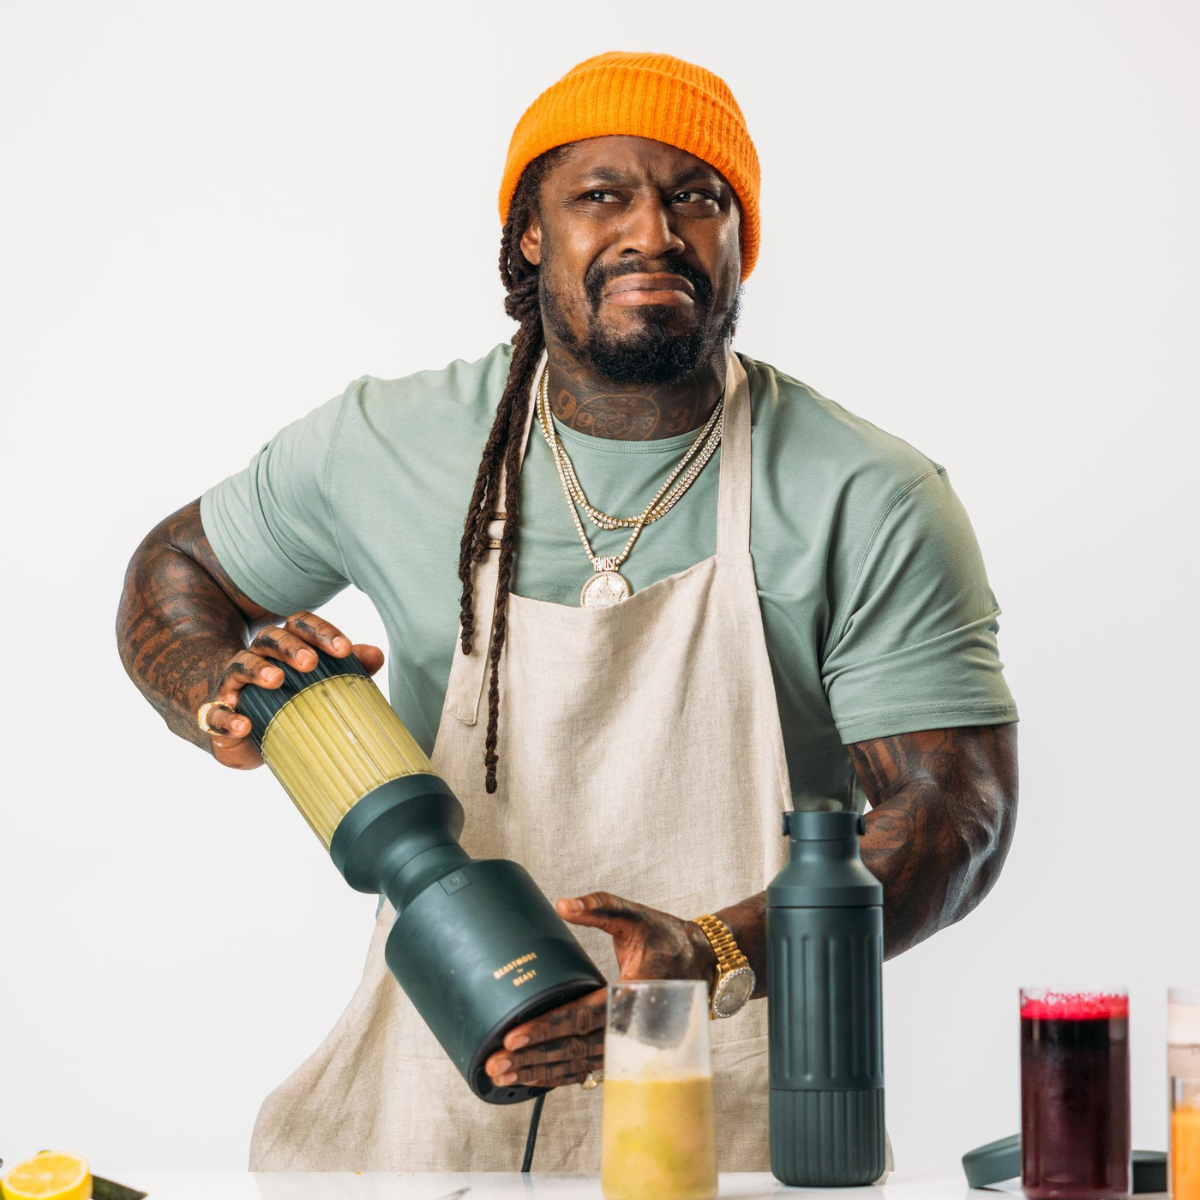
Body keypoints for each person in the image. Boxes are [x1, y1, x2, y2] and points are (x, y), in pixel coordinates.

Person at [117, 51, 1018, 1172]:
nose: (654, 232)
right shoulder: (385, 445)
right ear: (531, 234)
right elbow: (178, 570)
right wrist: (216, 688)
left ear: (738, 238)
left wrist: (709, 958)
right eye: (602, 194)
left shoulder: (865, 493)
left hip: (739, 1121)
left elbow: (956, 814)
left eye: (697, 197)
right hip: (432, 1120)